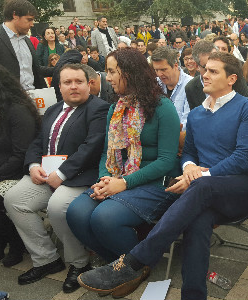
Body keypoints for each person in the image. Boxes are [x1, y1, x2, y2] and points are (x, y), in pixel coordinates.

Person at [77, 52, 248, 300]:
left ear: (231, 79)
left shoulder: (247, 107)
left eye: (213, 71)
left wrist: (199, 175)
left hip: (240, 187)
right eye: (204, 69)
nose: (204, 75)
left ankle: (135, 262)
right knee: (196, 224)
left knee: (200, 188)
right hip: (204, 191)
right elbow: (188, 153)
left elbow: (246, 157)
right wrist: (188, 168)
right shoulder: (197, 114)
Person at [66, 48, 181, 268]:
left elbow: (166, 161)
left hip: (156, 183)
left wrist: (125, 182)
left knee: (104, 218)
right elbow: (107, 153)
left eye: (111, 71)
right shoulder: (116, 108)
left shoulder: (163, 107)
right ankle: (117, 262)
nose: (106, 78)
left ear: (130, 72)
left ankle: (137, 266)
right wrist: (104, 179)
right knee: (76, 213)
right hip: (118, 177)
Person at [4, 64, 110, 293]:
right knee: (14, 199)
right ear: (59, 86)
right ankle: (46, 259)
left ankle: (79, 262)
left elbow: (91, 147)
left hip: (80, 176)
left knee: (57, 206)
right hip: (46, 175)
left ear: (88, 84)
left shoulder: (99, 109)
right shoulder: (52, 110)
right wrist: (33, 166)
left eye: (78, 82)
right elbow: (37, 142)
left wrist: (61, 174)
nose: (73, 87)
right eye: (67, 82)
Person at [0, 63, 40, 268]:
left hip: (18, 174)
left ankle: (15, 241)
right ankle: (2, 238)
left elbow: (21, 155)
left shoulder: (18, 111)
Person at [0, 0, 49, 90]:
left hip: (34, 98)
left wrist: (60, 68)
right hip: (7, 101)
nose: (32, 24)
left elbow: (35, 69)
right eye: (29, 19)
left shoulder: (27, 40)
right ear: (15, 15)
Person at [185, 40, 248, 109]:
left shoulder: (233, 80)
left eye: (214, 70)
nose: (208, 74)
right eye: (207, 69)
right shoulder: (191, 88)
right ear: (197, 67)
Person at [151, 47, 191, 130]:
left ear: (175, 66)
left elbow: (187, 122)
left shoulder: (190, 85)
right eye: (156, 70)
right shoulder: (155, 84)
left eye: (163, 70)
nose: (159, 74)